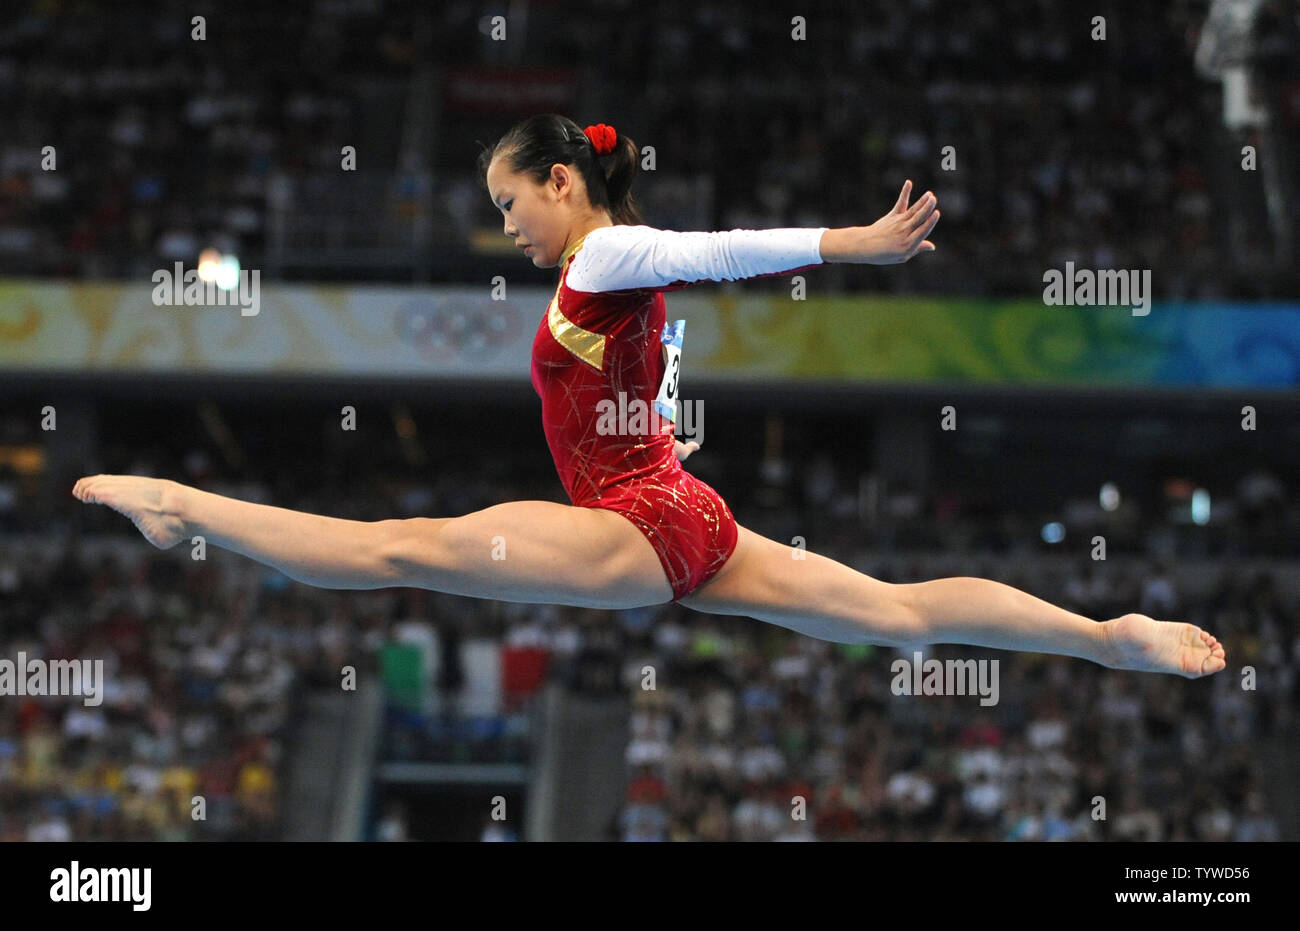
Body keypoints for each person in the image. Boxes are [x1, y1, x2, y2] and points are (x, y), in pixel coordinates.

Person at [73, 114, 1225, 680]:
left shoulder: (603, 255)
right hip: (683, 510)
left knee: (394, 551)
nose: (506, 225)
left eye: (510, 201)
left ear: (561, 181)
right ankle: (1104, 637)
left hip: (637, 519)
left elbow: (717, 249)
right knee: (903, 613)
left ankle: (181, 502)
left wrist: (853, 244)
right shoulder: (599, 264)